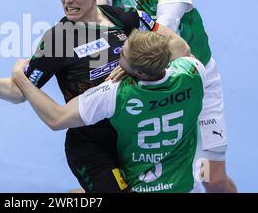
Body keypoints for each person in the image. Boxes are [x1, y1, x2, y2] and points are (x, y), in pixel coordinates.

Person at [0, 0, 189, 192]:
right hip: (92, 146)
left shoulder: (126, 18)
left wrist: (131, 66)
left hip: (135, 138)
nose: (67, 0)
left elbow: (180, 48)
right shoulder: (57, 40)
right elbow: (18, 92)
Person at [98, 0, 236, 192]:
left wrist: (125, 61)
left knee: (212, 176)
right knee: (132, 181)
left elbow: (164, 37)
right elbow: (96, 19)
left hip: (197, 80)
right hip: (151, 87)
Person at [11, 30, 204, 193]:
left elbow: (56, 118)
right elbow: (181, 47)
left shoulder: (116, 93)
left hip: (139, 186)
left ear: (141, 73)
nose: (118, 56)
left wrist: (22, 79)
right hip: (186, 184)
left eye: (122, 57)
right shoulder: (193, 73)